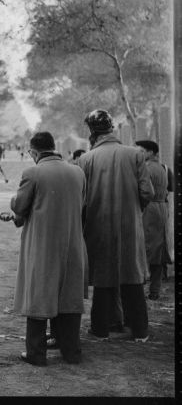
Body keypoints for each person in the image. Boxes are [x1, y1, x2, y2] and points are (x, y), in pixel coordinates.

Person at [0, 132, 86, 367]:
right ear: (54, 147)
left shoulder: (32, 173)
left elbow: (20, 205)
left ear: (33, 152)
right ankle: (71, 352)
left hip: (42, 244)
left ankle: (36, 353)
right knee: (68, 296)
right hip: (72, 243)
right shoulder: (77, 171)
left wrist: (13, 206)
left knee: (38, 294)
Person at [78, 110, 154, 342]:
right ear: (111, 128)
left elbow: (81, 199)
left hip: (98, 226)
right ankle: (140, 332)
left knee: (102, 278)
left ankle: (100, 329)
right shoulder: (135, 154)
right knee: (132, 278)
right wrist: (133, 211)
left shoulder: (86, 159)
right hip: (130, 226)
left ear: (92, 132)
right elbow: (147, 192)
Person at [134, 140, 173, 300]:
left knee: (143, 248)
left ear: (150, 152)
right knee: (158, 249)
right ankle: (155, 290)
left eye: (142, 151)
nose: (139, 154)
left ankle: (140, 287)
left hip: (147, 209)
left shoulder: (144, 169)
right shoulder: (165, 168)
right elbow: (170, 189)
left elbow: (142, 191)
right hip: (162, 209)